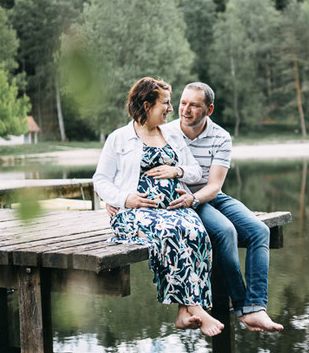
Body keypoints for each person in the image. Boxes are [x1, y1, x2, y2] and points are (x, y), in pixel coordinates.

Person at [111, 82, 283, 332]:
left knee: (260, 231)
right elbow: (127, 168)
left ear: (209, 109)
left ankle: (256, 307)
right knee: (225, 231)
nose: (185, 110)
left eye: (194, 105)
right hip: (178, 200)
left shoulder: (221, 137)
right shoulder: (164, 130)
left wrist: (192, 195)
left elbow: (214, 186)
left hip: (207, 195)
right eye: (182, 103)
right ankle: (242, 307)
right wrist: (116, 199)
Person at [93, 77, 224, 337]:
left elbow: (196, 171)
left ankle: (182, 312)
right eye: (165, 103)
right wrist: (124, 199)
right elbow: (100, 180)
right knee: (170, 233)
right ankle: (195, 307)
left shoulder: (172, 135)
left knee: (197, 232)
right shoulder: (119, 138)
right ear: (146, 104)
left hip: (172, 209)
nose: (171, 109)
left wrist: (177, 170)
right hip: (134, 214)